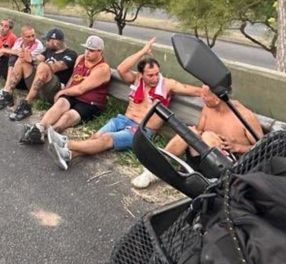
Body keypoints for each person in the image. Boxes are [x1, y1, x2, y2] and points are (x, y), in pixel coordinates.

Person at [44, 37, 202, 172]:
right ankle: (68, 155)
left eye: (156, 74)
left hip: (141, 129)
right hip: (122, 119)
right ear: (141, 74)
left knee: (105, 140)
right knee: (96, 137)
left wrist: (209, 90)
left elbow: (194, 91)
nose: (154, 78)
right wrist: (142, 51)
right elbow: (121, 68)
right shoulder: (136, 79)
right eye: (150, 75)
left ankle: (65, 143)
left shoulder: (167, 85)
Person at [128, 84, 263, 187]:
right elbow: (200, 130)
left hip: (229, 167)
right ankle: (154, 169)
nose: (201, 98)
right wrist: (195, 131)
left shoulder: (244, 116)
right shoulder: (208, 108)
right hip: (203, 158)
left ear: (217, 98)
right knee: (189, 132)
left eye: (205, 96)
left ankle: (214, 182)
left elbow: (264, 147)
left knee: (209, 137)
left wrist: (238, 147)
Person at [22, 34, 110, 144]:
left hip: (89, 102)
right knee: (61, 103)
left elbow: (81, 89)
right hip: (73, 94)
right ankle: (40, 127)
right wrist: (64, 93)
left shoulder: (102, 68)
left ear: (100, 51)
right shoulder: (80, 58)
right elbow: (73, 78)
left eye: (91, 50)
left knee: (69, 115)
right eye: (86, 48)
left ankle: (50, 132)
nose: (87, 52)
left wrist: (62, 91)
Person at [9, 27, 78, 121]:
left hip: (54, 89)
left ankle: (26, 104)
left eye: (47, 40)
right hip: (40, 85)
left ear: (55, 41)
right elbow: (37, 59)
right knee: (22, 61)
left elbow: (56, 67)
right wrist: (30, 59)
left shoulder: (70, 54)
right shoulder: (48, 51)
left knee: (43, 67)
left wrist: (37, 63)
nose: (45, 42)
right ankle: (7, 93)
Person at [0, 24, 46, 110]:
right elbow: (13, 52)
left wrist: (7, 50)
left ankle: (6, 91)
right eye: (28, 36)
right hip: (15, 76)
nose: (32, 38)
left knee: (19, 59)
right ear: (22, 36)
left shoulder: (38, 45)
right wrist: (6, 51)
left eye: (33, 35)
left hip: (27, 79)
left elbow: (26, 58)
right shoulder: (19, 41)